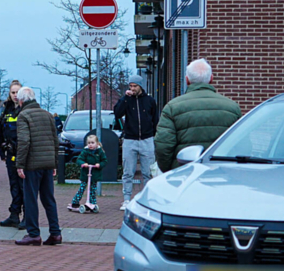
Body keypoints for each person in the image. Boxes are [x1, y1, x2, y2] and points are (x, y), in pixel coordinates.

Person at [155, 58, 242, 171]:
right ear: (211, 78)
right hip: (221, 174)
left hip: (184, 173)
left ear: (187, 80)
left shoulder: (172, 107)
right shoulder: (232, 108)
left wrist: (170, 170)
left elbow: (163, 146)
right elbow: (242, 145)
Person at [14, 86, 63, 246]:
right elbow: (55, 140)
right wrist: (54, 162)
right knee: (49, 199)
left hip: (32, 165)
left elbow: (24, 141)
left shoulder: (24, 116)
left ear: (21, 101)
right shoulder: (48, 115)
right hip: (48, 164)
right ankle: (55, 233)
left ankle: (33, 234)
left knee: (30, 199)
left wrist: (20, 164)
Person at [114, 74, 159, 210]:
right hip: (130, 139)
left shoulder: (150, 101)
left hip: (147, 139)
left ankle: (147, 199)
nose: (132, 88)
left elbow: (155, 119)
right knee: (128, 171)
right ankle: (126, 199)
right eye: (131, 86)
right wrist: (125, 98)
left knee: (148, 172)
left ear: (141, 86)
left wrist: (153, 135)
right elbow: (117, 113)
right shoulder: (127, 100)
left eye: (135, 86)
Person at [0, 80, 25, 229]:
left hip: (22, 154)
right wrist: (1, 150)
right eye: (13, 92)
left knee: (23, 186)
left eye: (17, 92)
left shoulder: (25, 109)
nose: (15, 95)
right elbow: (2, 131)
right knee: (14, 185)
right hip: (10, 153)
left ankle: (27, 217)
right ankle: (14, 215)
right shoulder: (6, 109)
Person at [70, 133, 106, 213]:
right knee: (82, 188)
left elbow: (104, 161)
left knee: (93, 190)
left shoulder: (100, 152)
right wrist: (83, 163)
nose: (90, 145)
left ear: (97, 143)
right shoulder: (85, 151)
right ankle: (75, 202)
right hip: (86, 174)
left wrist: (99, 165)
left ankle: (92, 203)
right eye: (89, 143)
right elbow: (79, 159)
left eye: (92, 143)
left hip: (94, 175)